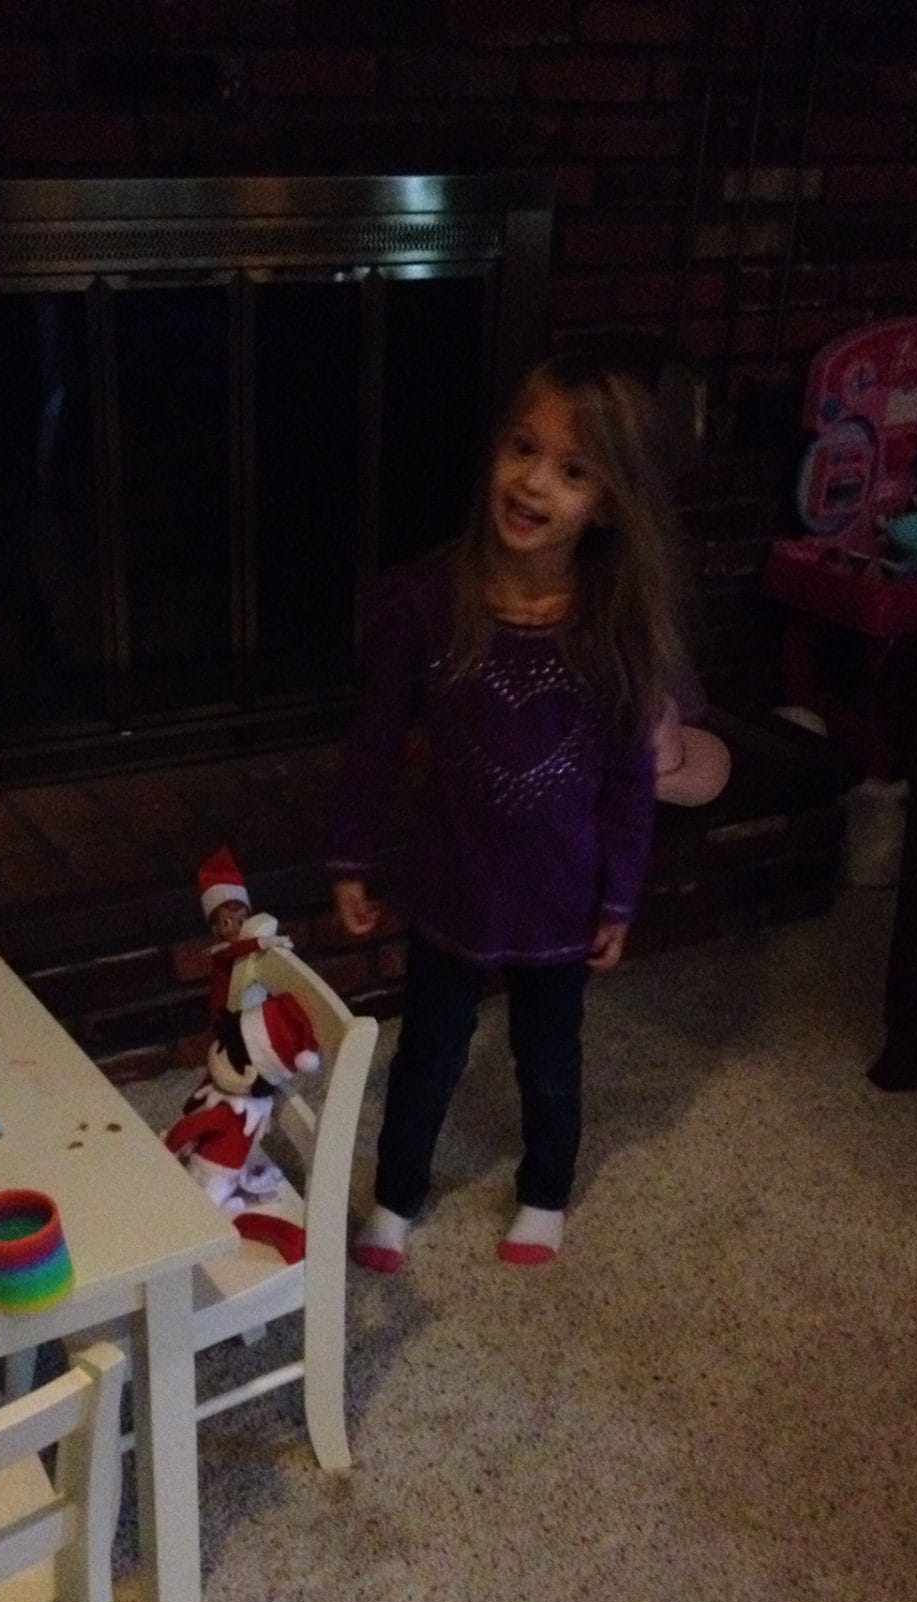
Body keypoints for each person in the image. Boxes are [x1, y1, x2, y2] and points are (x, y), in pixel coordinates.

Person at [328, 342, 695, 1270]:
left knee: (550, 1056)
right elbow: (373, 741)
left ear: (606, 503)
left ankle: (544, 1192)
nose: (534, 483)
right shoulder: (427, 604)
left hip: (560, 895)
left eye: (573, 471)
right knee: (428, 1052)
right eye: (523, 449)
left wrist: (620, 896)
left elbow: (629, 781)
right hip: (450, 879)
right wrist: (352, 853)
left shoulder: (612, 628)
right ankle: (396, 1196)